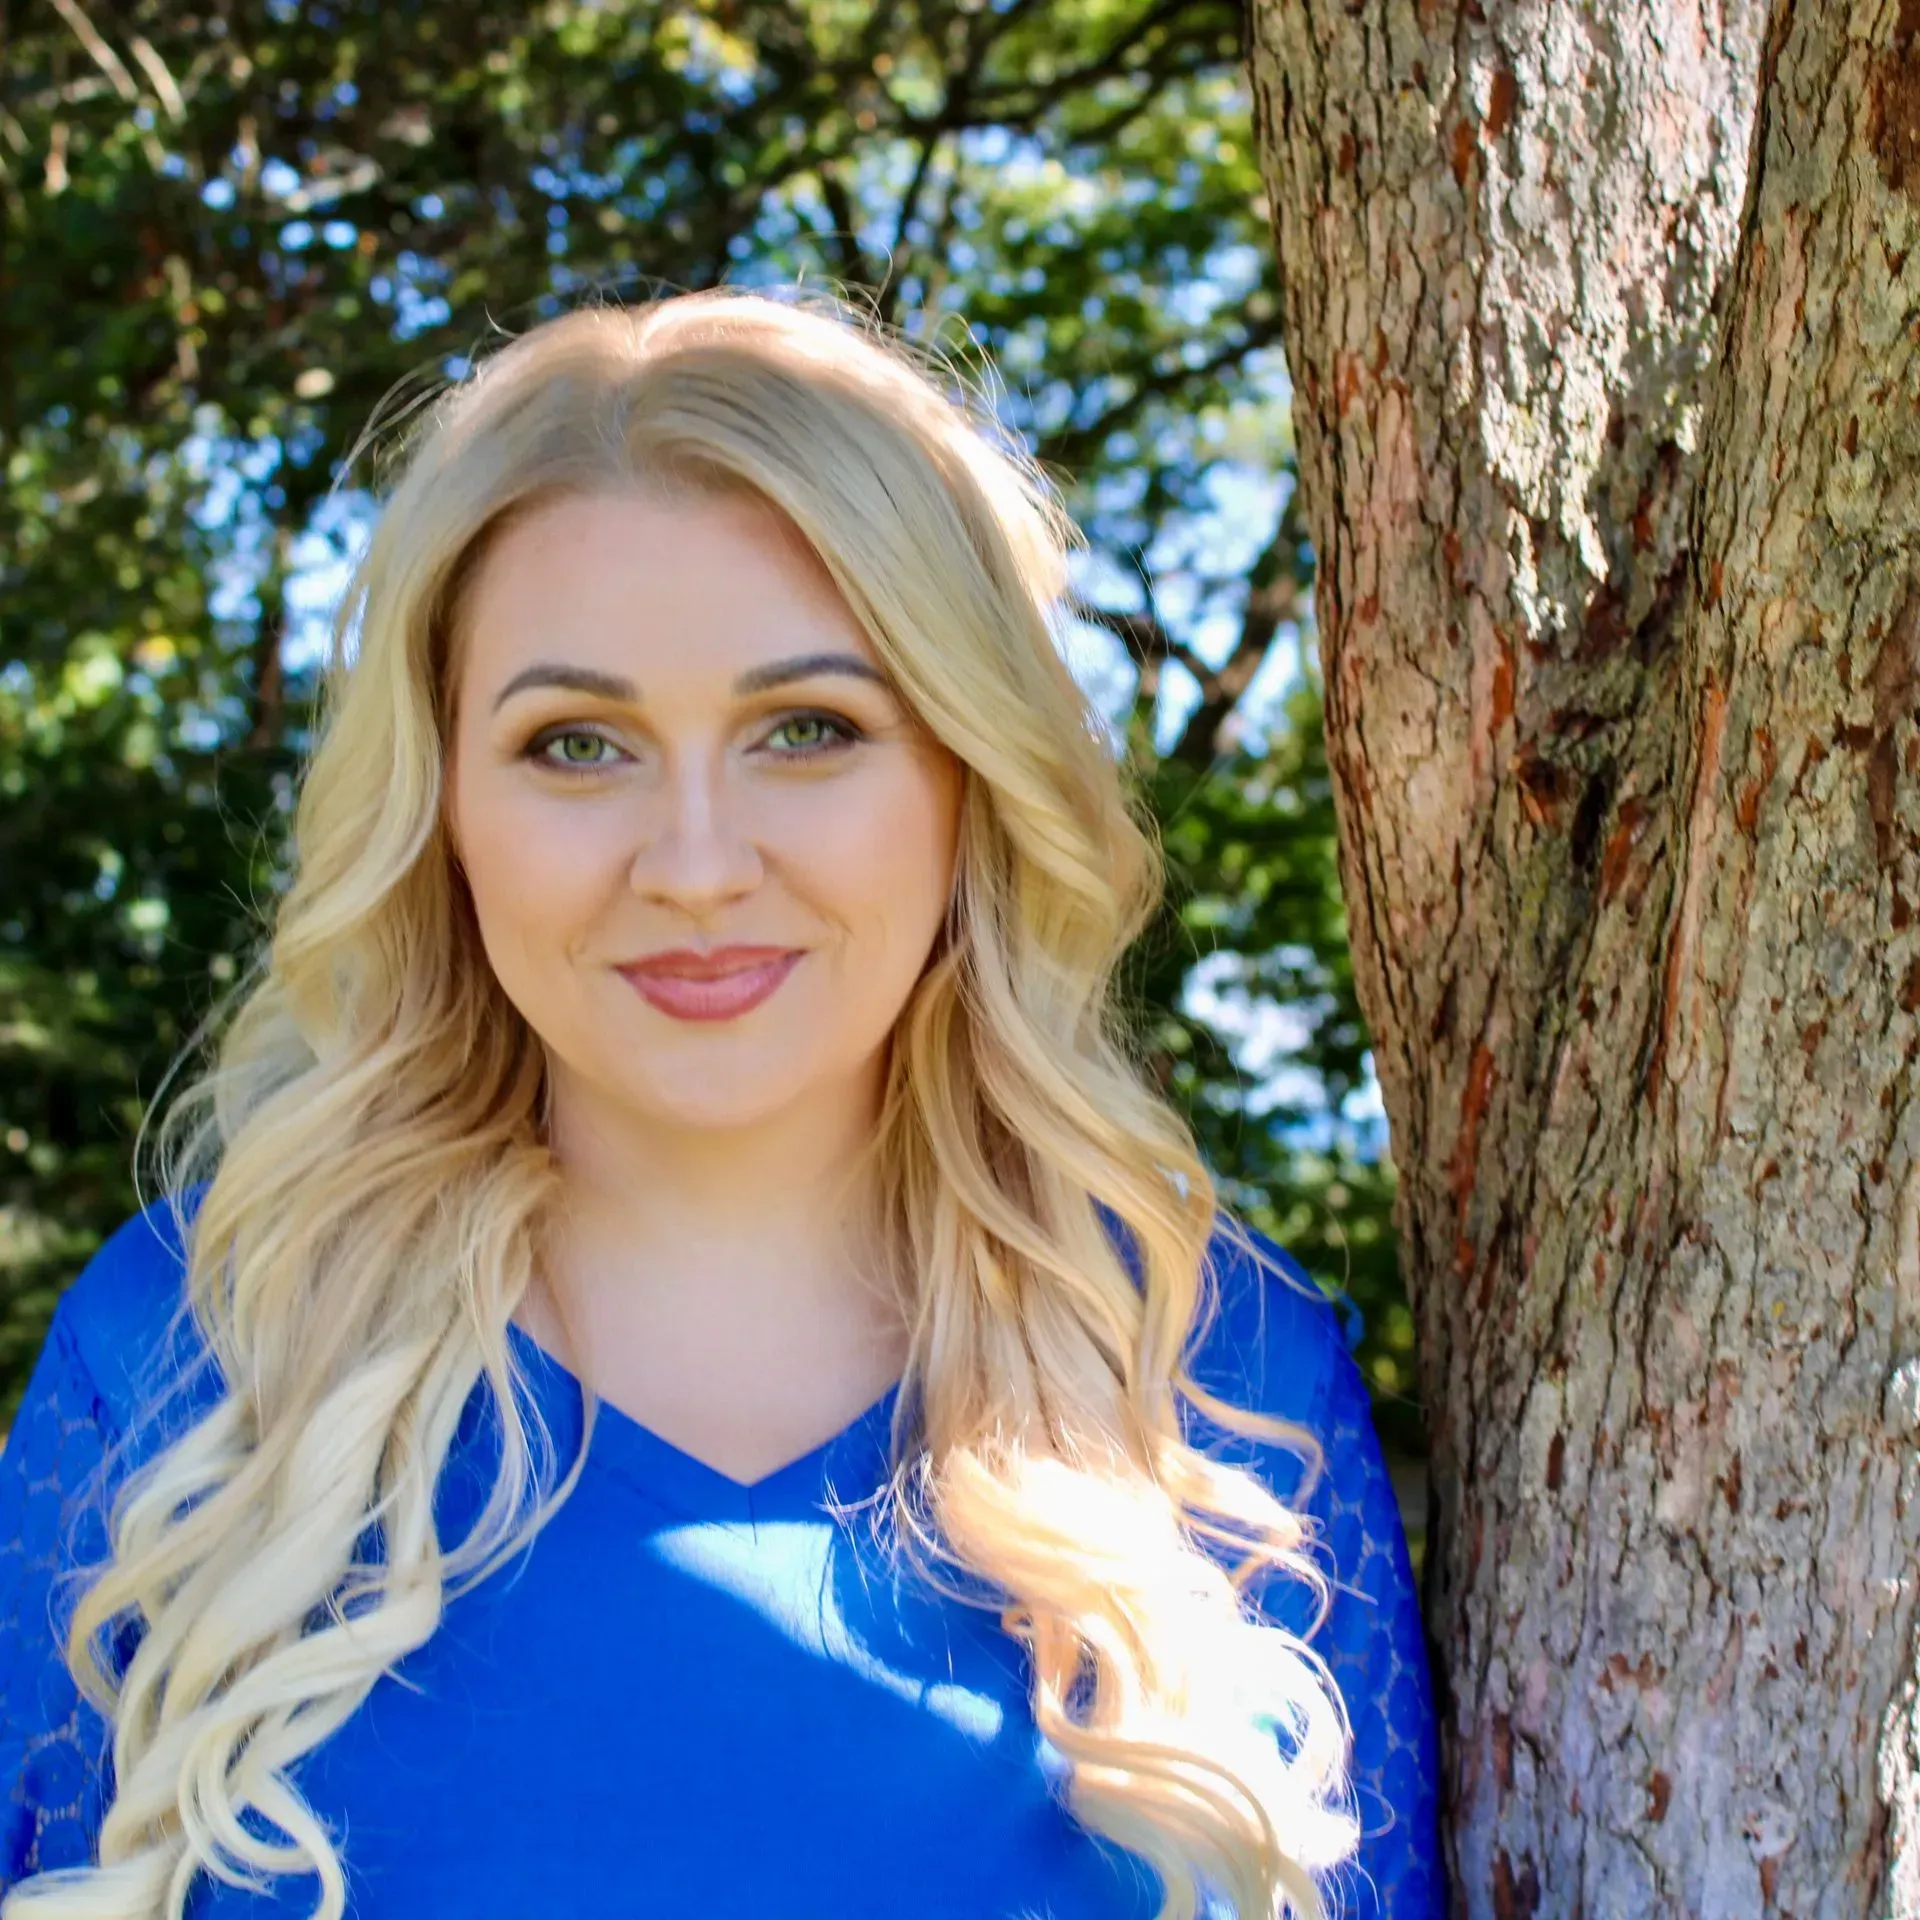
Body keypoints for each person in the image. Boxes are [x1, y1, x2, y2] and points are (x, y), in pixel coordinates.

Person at [0, 287, 1439, 1920]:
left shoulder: (1217, 1386)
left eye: (807, 729)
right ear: (444, 808)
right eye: (576, 745)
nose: (694, 864)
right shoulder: (193, 1363)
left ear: (968, 777)